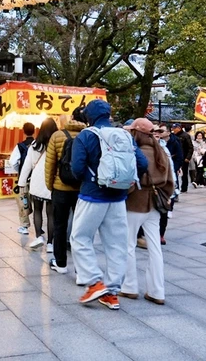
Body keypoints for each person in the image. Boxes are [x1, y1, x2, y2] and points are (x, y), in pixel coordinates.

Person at [70, 99, 148, 310]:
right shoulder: (124, 135)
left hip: (92, 196)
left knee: (80, 237)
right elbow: (142, 163)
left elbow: (76, 168)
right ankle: (112, 293)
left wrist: (91, 179)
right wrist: (124, 182)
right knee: (117, 245)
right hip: (118, 198)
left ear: (89, 116)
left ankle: (94, 282)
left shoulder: (86, 136)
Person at [120, 118, 174, 304]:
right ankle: (157, 291)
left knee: (127, 245)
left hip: (135, 202)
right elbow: (170, 182)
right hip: (156, 204)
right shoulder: (161, 151)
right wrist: (165, 196)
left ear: (135, 132)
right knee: (155, 248)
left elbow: (128, 179)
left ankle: (129, 286)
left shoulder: (134, 152)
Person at [45, 108, 87, 274]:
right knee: (81, 228)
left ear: (72, 117)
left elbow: (50, 165)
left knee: (59, 225)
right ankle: (81, 268)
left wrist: (51, 185)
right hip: (82, 189)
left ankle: (61, 263)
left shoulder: (57, 135)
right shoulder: (89, 135)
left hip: (60, 188)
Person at [18, 118, 57, 251]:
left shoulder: (35, 145)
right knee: (51, 214)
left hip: (37, 181)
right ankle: (51, 243)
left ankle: (39, 236)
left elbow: (27, 165)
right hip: (52, 181)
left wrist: (21, 183)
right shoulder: (56, 142)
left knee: (38, 211)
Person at [8, 122, 35, 235]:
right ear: (34, 131)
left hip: (24, 179)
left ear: (23, 131)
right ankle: (39, 226)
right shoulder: (38, 144)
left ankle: (24, 226)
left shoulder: (20, 146)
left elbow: (12, 162)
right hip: (37, 179)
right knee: (38, 204)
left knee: (23, 202)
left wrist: (19, 170)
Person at [173, 124, 194, 193]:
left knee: (184, 174)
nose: (173, 129)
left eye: (174, 128)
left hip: (184, 157)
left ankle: (184, 188)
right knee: (175, 172)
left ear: (179, 128)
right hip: (175, 158)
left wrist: (188, 158)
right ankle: (176, 187)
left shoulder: (185, 135)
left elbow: (190, 147)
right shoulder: (173, 136)